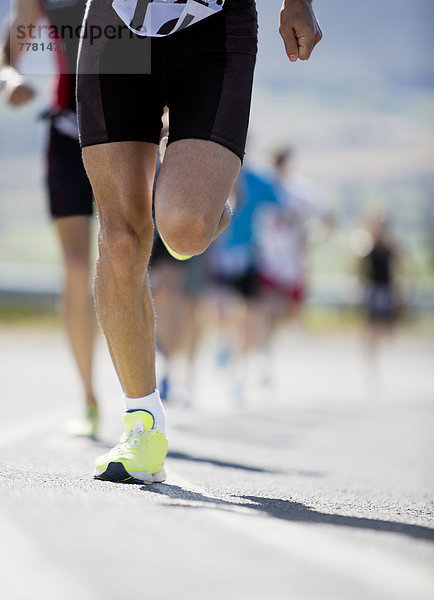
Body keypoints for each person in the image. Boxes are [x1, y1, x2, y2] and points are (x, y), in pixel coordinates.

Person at [74, 0, 322, 483]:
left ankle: (205, 204)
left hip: (213, 27)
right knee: (119, 238)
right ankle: (142, 423)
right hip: (117, 23)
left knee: (184, 229)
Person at [1, 0, 99, 437]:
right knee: (78, 267)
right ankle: (89, 397)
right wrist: (10, 79)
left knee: (126, 256)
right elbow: (7, 56)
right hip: (67, 132)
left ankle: (144, 390)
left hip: (132, 131)